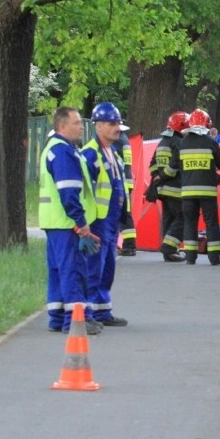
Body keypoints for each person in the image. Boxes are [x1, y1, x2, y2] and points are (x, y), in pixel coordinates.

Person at [39, 107, 102, 335]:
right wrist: (81, 222)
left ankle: (57, 317)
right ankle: (74, 321)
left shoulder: (54, 149)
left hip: (54, 221)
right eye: (77, 123)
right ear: (63, 126)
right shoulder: (64, 152)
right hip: (68, 223)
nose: (82, 127)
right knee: (73, 271)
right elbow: (69, 190)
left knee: (58, 270)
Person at [80, 102, 129, 327]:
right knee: (93, 267)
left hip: (111, 220)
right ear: (98, 126)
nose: (117, 128)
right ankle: (88, 313)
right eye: (112, 124)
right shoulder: (90, 154)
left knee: (108, 267)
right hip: (97, 220)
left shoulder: (113, 152)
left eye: (118, 123)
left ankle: (102, 311)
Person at [164, 108, 220, 266]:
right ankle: (214, 258)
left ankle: (190, 257)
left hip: (188, 192)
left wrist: (160, 178)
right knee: (211, 223)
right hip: (208, 192)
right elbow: (219, 164)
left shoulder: (182, 143)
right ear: (206, 124)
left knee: (190, 222)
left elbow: (171, 169)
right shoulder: (211, 142)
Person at [149, 111, 189, 262]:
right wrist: (164, 175)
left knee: (168, 218)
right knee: (182, 218)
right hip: (175, 188)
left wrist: (157, 177)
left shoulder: (162, 142)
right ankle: (170, 248)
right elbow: (175, 164)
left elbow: (152, 164)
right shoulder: (178, 142)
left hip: (162, 189)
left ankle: (169, 252)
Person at [114, 124, 138, 256]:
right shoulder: (125, 139)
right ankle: (129, 245)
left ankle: (129, 245)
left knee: (125, 214)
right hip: (127, 180)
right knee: (125, 213)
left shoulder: (118, 140)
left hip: (122, 181)